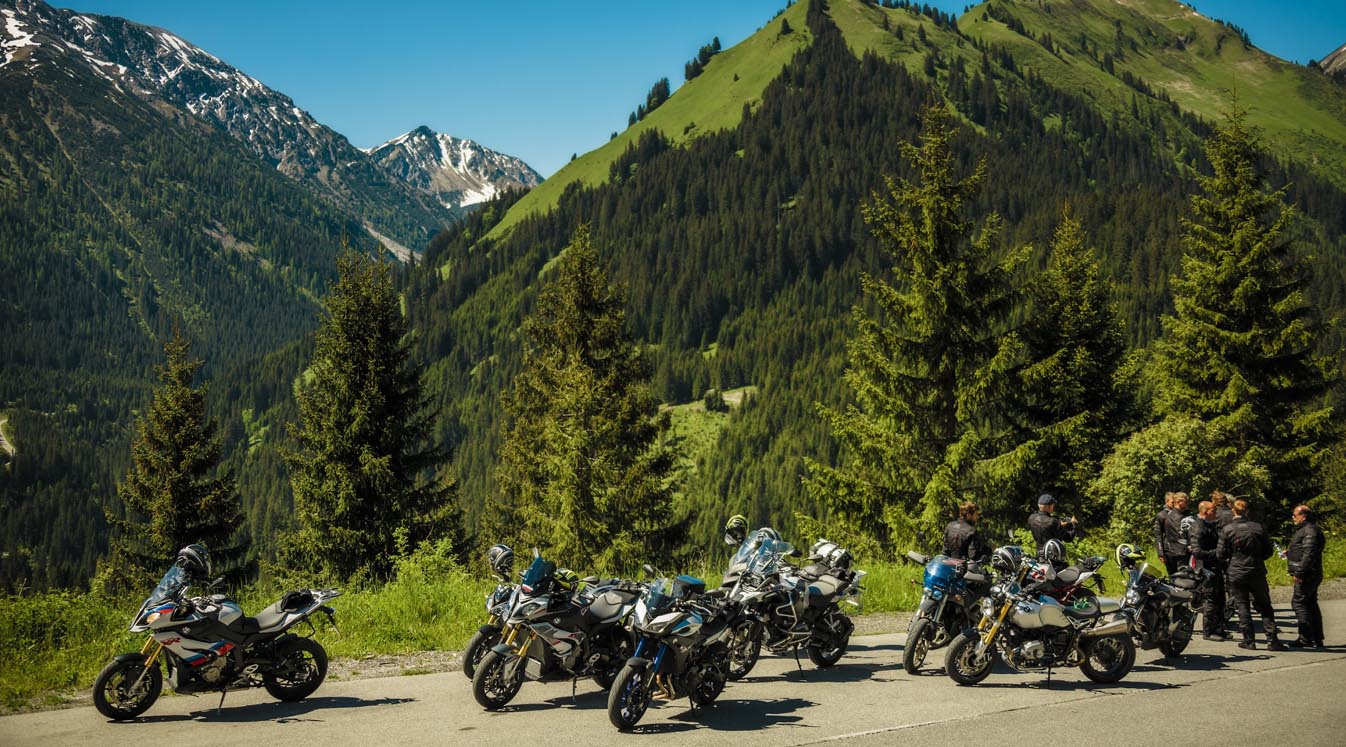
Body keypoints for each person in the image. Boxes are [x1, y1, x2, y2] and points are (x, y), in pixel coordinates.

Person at [1217, 498, 1285, 651]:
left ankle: (1249, 641)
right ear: (1247, 511)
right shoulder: (1258, 528)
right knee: (1265, 605)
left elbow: (1220, 553)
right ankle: (1272, 640)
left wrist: (1232, 558)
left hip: (1236, 571)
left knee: (1242, 606)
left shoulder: (1227, 530)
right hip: (1256, 570)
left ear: (1234, 511)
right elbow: (1268, 551)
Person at [1186, 500, 1226, 641]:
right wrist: (1217, 552)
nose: (1216, 512)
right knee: (1210, 600)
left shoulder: (1211, 524)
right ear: (1205, 511)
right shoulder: (1198, 527)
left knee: (1221, 599)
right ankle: (1208, 632)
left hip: (1216, 567)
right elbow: (1197, 551)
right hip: (1205, 569)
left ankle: (1219, 628)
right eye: (1213, 510)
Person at [1286, 505, 1325, 648]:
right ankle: (1316, 637)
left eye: (1295, 515)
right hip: (1310, 572)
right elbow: (1304, 550)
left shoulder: (1310, 531)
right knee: (1310, 604)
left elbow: (1309, 554)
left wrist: (1300, 572)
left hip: (1308, 574)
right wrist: (1290, 552)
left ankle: (1306, 637)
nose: (1293, 517)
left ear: (1304, 516)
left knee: (1298, 603)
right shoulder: (1306, 530)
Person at [1163, 492, 1192, 575]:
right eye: (1186, 502)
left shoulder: (1181, 514)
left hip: (1176, 551)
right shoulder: (1176, 516)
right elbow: (1181, 534)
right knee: (1182, 578)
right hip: (1179, 553)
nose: (1188, 504)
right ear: (1179, 502)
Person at [1155, 492, 1175, 569]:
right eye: (1172, 502)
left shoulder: (1181, 513)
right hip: (1168, 550)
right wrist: (1160, 553)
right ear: (1166, 502)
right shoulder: (1161, 515)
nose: (1174, 504)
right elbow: (1158, 535)